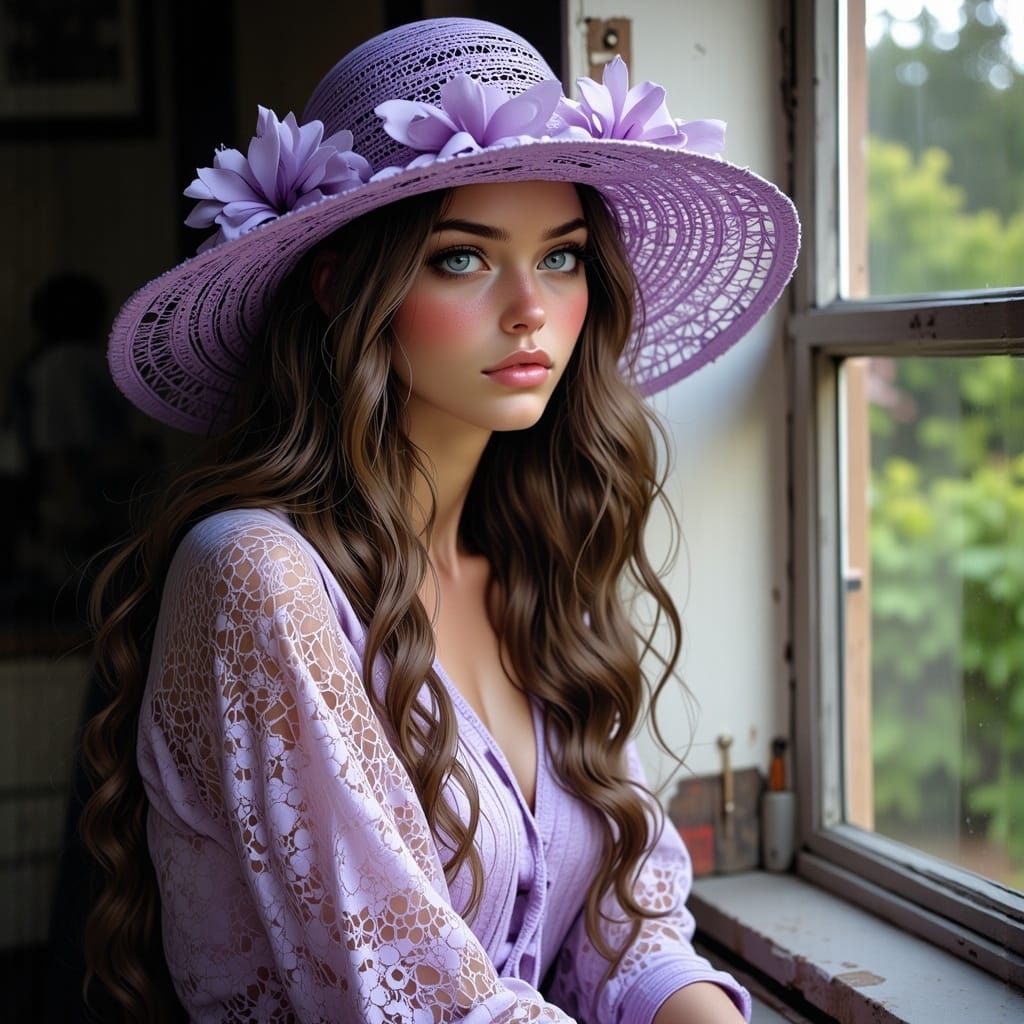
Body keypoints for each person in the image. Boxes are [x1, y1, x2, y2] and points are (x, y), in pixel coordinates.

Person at [79, 17, 799, 1024]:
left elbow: (629, 936)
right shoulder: (256, 575)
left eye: (562, 256)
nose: (530, 310)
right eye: (462, 259)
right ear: (342, 286)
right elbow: (425, 1006)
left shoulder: (532, 563)